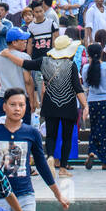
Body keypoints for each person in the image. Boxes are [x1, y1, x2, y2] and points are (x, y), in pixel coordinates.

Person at [40, 35, 88, 175]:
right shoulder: (70, 65)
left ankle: (50, 156)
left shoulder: (45, 63)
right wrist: (85, 105)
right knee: (67, 137)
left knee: (51, 135)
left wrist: (7, 54)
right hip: (68, 104)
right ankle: (62, 167)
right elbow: (77, 88)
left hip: (50, 104)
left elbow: (26, 63)